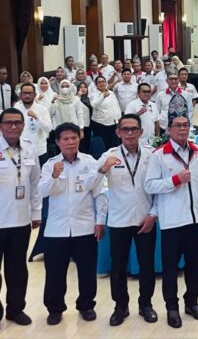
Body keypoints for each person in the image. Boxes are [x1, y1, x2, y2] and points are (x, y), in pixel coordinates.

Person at [144, 111, 198, 329]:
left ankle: (192, 303)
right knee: (170, 268)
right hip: (172, 222)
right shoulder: (159, 155)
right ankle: (172, 307)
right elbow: (150, 185)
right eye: (178, 125)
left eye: (186, 125)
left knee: (194, 266)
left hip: (196, 220)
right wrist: (174, 180)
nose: (183, 129)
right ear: (169, 130)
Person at [39, 122, 107, 326]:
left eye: (74, 138)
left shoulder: (90, 162)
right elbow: (41, 192)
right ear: (58, 142)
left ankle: (86, 305)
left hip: (85, 226)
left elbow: (100, 193)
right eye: (65, 139)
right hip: (56, 229)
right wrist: (54, 176)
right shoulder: (50, 164)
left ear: (80, 139)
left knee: (87, 270)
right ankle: (55, 309)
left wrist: (100, 220)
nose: (70, 142)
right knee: (55, 272)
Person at [97, 114, 158, 326]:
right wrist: (103, 169)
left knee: (147, 265)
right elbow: (91, 184)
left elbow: (158, 190)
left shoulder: (152, 155)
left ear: (141, 131)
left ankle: (146, 304)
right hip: (119, 221)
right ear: (118, 132)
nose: (130, 133)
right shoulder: (109, 155)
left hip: (145, 219)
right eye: (125, 129)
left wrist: (153, 215)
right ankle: (120, 306)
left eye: (134, 129)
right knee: (118, 267)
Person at [0, 108, 42, 326]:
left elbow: (35, 183)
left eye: (17, 122)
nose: (13, 126)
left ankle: (15, 310)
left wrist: (36, 212)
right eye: (8, 123)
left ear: (24, 125)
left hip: (20, 220)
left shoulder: (29, 148)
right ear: (1, 126)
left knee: (17, 270)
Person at [15, 83, 53, 164]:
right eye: (25, 93)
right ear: (20, 95)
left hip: (39, 151)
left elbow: (48, 129)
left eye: (30, 93)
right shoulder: (16, 109)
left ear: (35, 95)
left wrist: (37, 117)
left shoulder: (42, 109)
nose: (27, 95)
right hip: (21, 151)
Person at [89, 76, 121, 150]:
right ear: (96, 84)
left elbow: (116, 106)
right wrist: (103, 96)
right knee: (102, 146)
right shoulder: (94, 95)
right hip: (101, 124)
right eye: (99, 82)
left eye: (103, 81)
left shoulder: (111, 93)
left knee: (114, 145)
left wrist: (119, 118)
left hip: (113, 123)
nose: (102, 83)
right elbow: (94, 105)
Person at [76, 83, 92, 153]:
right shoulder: (76, 99)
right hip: (80, 125)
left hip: (89, 124)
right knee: (81, 145)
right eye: (81, 87)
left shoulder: (89, 98)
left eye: (85, 87)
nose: (83, 89)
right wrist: (78, 97)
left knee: (87, 145)